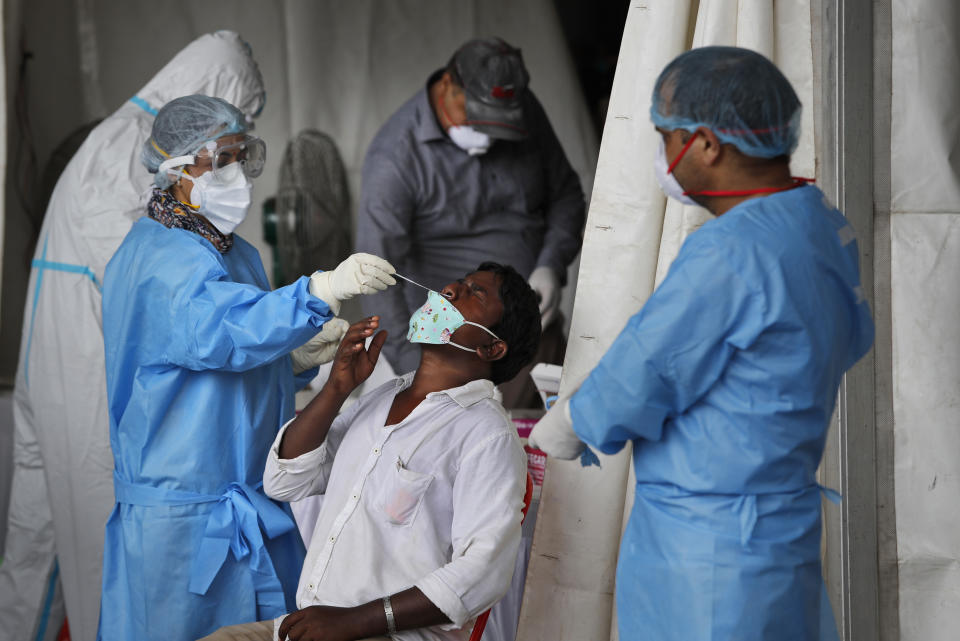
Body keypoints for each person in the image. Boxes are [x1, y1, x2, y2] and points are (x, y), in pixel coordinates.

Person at [529, 46, 875, 641]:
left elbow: (647, 366)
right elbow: (846, 339)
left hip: (708, 547)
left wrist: (569, 421)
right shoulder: (819, 222)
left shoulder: (732, 250)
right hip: (779, 533)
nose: (663, 156)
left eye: (667, 137)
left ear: (708, 144)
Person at [98, 94, 396, 641]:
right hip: (183, 525)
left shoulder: (232, 251)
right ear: (178, 169)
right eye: (221, 159)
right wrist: (319, 290)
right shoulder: (159, 261)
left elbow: (227, 369)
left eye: (242, 156)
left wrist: (291, 360)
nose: (236, 174)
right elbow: (222, 332)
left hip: (245, 501)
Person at [0, 31, 265, 641]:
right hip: (89, 367)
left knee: (38, 538)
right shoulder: (124, 154)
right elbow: (162, 291)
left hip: (58, 357)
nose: (230, 158)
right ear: (214, 95)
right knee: (100, 544)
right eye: (235, 126)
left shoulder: (119, 140)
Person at [200, 262, 541, 641]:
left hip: (384, 632)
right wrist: (336, 388)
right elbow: (285, 481)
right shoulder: (383, 396)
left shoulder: (486, 434)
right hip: (316, 623)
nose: (450, 290)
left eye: (475, 294)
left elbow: (482, 573)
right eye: (460, 283)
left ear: (491, 347)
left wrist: (352, 621)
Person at [356, 36, 585, 407]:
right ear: (447, 85)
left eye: (502, 125)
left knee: (543, 450)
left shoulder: (520, 107)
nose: (490, 133)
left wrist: (550, 264)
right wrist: (421, 375)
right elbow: (376, 278)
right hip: (456, 351)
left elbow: (567, 196)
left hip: (534, 332)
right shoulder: (396, 159)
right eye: (477, 116)